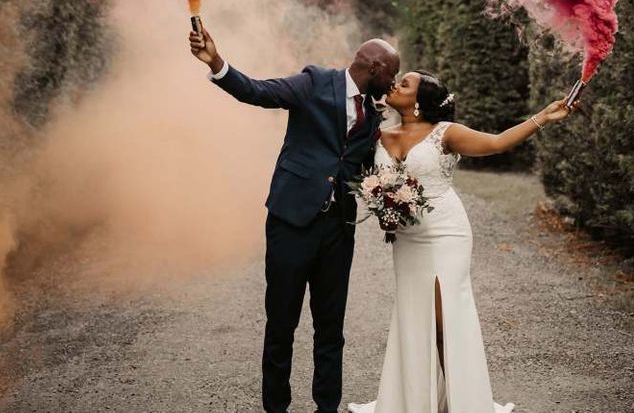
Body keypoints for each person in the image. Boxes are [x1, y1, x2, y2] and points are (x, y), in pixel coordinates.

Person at [189, 26, 400, 413]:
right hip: (291, 223)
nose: (394, 82)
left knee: (331, 329)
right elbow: (259, 91)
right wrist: (217, 64)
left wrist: (392, 203)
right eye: (391, 74)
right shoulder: (315, 82)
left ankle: (327, 407)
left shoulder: (373, 114)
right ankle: (276, 408)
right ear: (373, 66)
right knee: (281, 323)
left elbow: (364, 170)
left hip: (338, 230)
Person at [348, 70, 578, 413]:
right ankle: (415, 400)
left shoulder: (445, 133)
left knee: (445, 316)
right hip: (408, 239)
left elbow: (498, 142)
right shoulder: (377, 135)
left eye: (405, 83)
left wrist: (542, 116)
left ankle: (461, 402)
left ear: (420, 103)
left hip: (446, 233)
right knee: (413, 314)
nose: (395, 84)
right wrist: (382, 206)